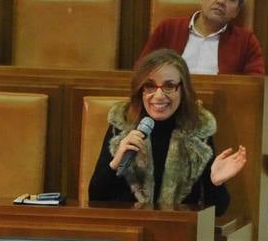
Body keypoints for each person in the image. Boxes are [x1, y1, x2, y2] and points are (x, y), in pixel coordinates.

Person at [87, 48, 246, 209]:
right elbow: (95, 197)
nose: (159, 96)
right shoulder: (122, 125)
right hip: (128, 228)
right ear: (140, 90)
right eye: (150, 86)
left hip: (177, 230)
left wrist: (216, 183)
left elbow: (218, 210)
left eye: (169, 86)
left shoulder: (197, 131)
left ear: (182, 90)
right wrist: (115, 163)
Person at [138, 0, 264, 76]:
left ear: (236, 11)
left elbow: (255, 85)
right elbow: (142, 71)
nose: (221, 1)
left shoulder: (246, 41)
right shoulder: (169, 28)